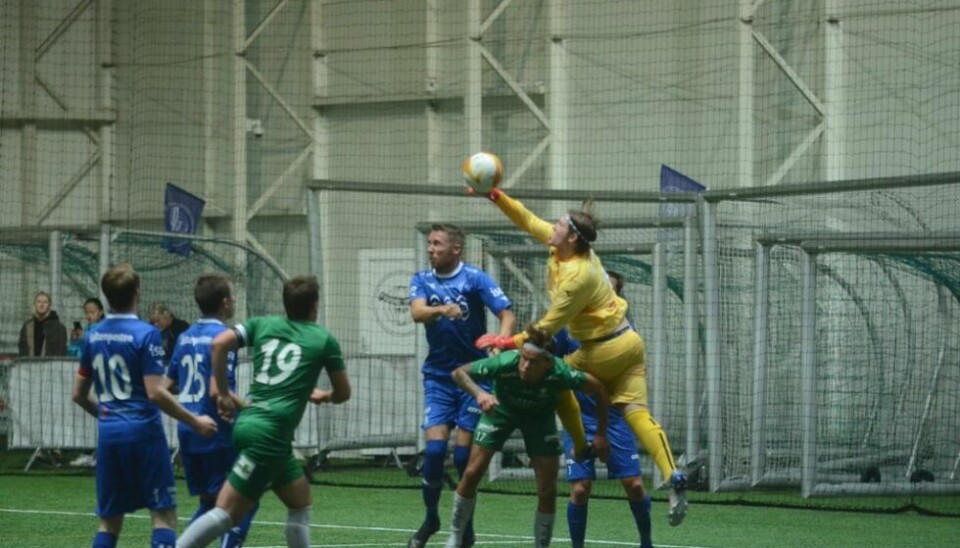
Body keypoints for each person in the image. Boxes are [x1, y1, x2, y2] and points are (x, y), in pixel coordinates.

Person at [472, 187, 688, 526]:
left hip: (599, 349)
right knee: (638, 414)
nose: (551, 225)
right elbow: (527, 219)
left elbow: (546, 328)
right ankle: (673, 475)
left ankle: (580, 444)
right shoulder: (567, 247)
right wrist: (496, 196)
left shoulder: (577, 278)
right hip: (629, 342)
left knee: (557, 379)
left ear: (571, 236)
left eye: (558, 223)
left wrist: (505, 340)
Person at [176, 275, 351, 548]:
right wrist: (325, 395)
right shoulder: (323, 340)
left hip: (255, 426)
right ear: (315, 306)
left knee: (300, 503)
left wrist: (222, 394)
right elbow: (344, 394)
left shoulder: (263, 324)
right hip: (268, 436)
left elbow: (219, 344)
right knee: (225, 512)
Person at [71, 264, 218, 548]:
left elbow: (78, 394)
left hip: (110, 435)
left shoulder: (93, 335)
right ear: (137, 292)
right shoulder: (146, 334)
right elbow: (155, 393)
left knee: (109, 522)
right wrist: (195, 421)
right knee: (163, 516)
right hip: (143, 434)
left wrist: (105, 414)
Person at [442, 326, 610, 548]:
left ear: (547, 363)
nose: (525, 366)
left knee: (547, 489)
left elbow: (599, 389)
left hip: (539, 418)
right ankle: (455, 537)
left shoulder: (560, 372)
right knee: (472, 472)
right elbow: (458, 373)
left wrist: (600, 433)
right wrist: (480, 393)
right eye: (523, 359)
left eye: (533, 362)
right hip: (501, 411)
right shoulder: (505, 362)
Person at [407, 223, 516, 548]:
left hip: (473, 377)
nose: (430, 249)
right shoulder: (421, 279)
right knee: (436, 450)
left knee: (465, 455)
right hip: (439, 377)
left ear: (456, 249)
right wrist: (442, 309)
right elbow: (417, 313)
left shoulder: (474, 278)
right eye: (429, 243)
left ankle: (464, 526)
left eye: (437, 244)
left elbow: (506, 313)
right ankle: (431, 518)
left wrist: (501, 340)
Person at [556, 271, 653, 548]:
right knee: (580, 489)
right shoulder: (568, 326)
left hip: (614, 420)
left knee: (634, 485)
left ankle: (646, 542)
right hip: (578, 419)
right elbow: (550, 362)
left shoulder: (625, 332)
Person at [165, 273, 258, 547]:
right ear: (225, 302)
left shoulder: (185, 337)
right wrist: (252, 409)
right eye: (232, 296)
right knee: (244, 499)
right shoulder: (223, 337)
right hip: (215, 431)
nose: (235, 300)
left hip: (189, 430)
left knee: (210, 505)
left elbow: (167, 385)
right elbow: (219, 390)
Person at [18, 291, 68, 357]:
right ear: (34, 304)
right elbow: (22, 348)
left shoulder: (59, 328)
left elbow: (61, 351)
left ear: (49, 305)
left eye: (45, 302)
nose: (42, 305)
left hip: (50, 365)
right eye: (39, 302)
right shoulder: (27, 326)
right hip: (29, 365)